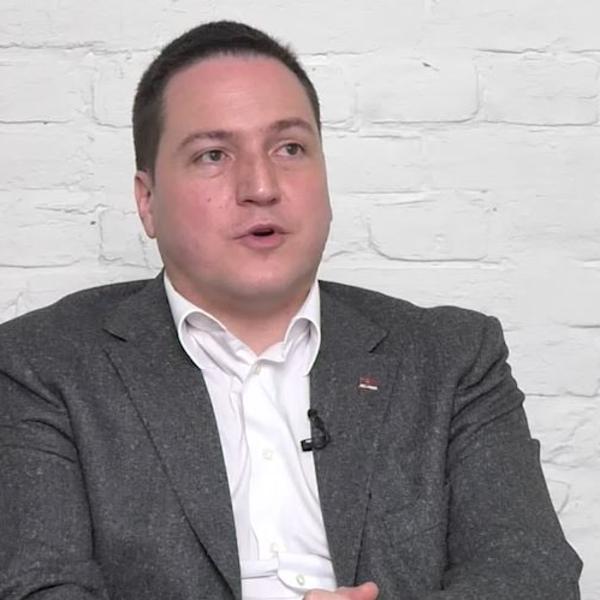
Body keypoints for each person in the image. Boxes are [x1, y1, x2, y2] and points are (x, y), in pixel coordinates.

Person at [0, 20, 582, 600]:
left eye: (290, 149)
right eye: (212, 155)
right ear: (147, 202)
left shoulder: (451, 358)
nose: (261, 186)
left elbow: (533, 577)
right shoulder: (41, 365)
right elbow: (38, 587)